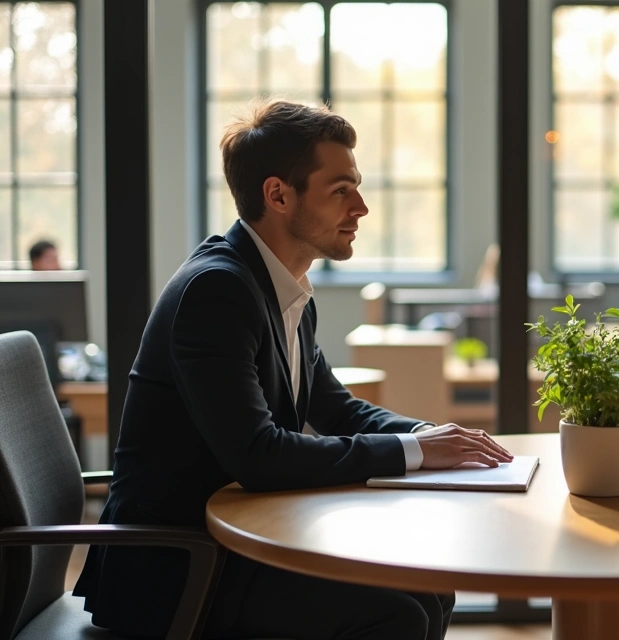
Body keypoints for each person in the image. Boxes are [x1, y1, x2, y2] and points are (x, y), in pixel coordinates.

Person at [73, 100, 515, 640]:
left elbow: (336, 407)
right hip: (179, 571)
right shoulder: (217, 291)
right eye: (341, 190)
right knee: (395, 611)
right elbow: (259, 455)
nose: (361, 208)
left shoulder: (281, 286)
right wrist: (418, 453)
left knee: (427, 589)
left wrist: (430, 436)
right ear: (278, 195)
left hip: (231, 545)